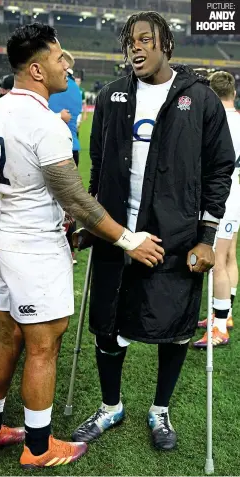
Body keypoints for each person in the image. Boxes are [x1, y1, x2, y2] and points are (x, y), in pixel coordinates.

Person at [0, 22, 163, 468]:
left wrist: (20, 203)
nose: (69, 64)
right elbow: (76, 198)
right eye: (61, 57)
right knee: (43, 346)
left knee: (8, 337)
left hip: (5, 237)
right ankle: (39, 448)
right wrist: (127, 239)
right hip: (36, 251)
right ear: (38, 69)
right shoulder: (45, 124)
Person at [71, 11, 235, 451]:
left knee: (177, 325)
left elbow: (221, 169)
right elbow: (99, 166)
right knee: (108, 324)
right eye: (130, 41)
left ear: (167, 45)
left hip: (176, 236)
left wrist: (206, 236)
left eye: (145, 39)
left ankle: (159, 410)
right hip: (117, 232)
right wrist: (91, 223)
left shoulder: (199, 99)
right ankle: (111, 407)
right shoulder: (109, 97)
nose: (136, 47)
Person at [195, 71, 240, 348]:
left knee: (217, 260)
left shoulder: (214, 121)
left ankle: (219, 327)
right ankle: (225, 312)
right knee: (230, 255)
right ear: (233, 92)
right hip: (236, 193)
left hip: (221, 197)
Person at [49, 50, 83, 264]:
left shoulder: (54, 88)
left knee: (50, 201)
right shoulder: (75, 89)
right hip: (73, 147)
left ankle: (56, 247)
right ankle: (70, 248)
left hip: (54, 147)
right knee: (68, 202)